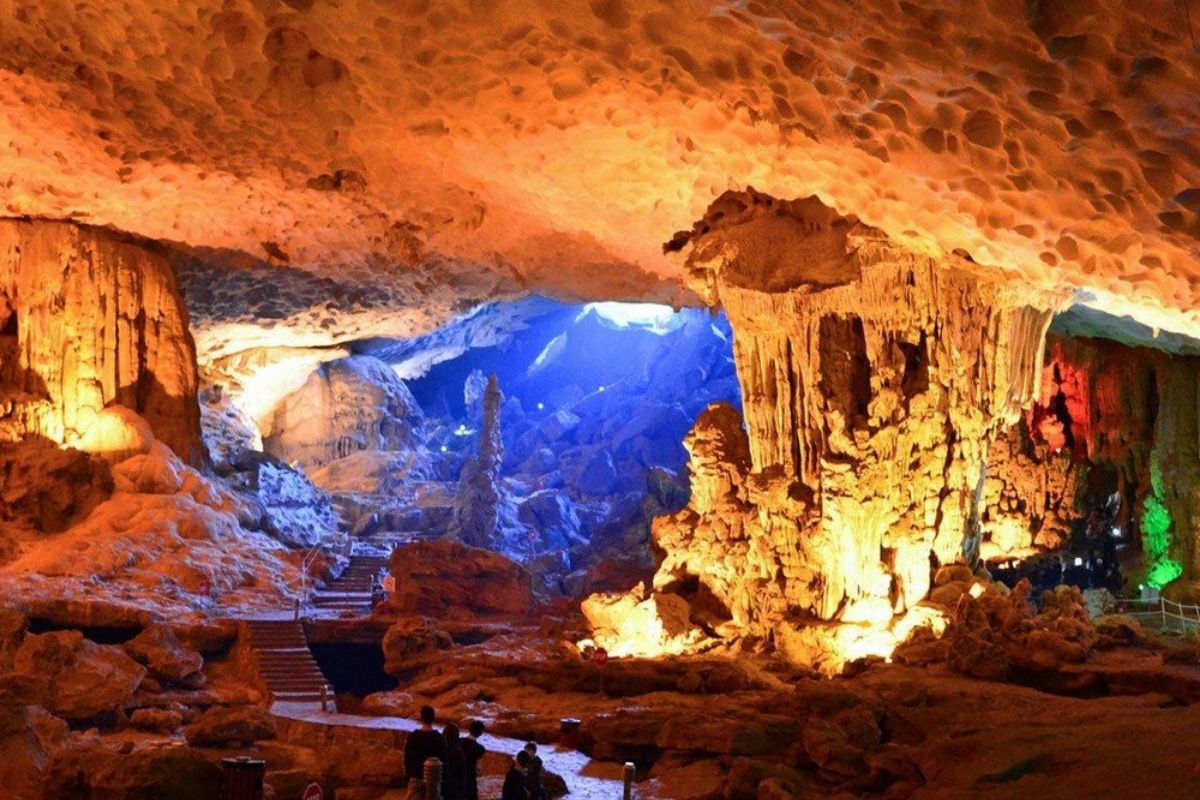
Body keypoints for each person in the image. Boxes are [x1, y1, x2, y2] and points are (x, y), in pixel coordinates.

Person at [403, 705, 447, 799]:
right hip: (435, 780)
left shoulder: (413, 736)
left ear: (421, 717)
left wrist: (410, 774)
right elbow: (444, 759)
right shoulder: (440, 738)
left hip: (416, 777)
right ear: (433, 718)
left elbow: (407, 758)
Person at [462, 719, 486, 800]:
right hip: (470, 780)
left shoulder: (459, 741)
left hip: (458, 777)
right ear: (480, 733)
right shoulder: (480, 749)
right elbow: (478, 769)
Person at [442, 722, 467, 800]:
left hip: (442, 787)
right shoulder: (458, 752)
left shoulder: (440, 750)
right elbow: (462, 774)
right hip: (454, 789)